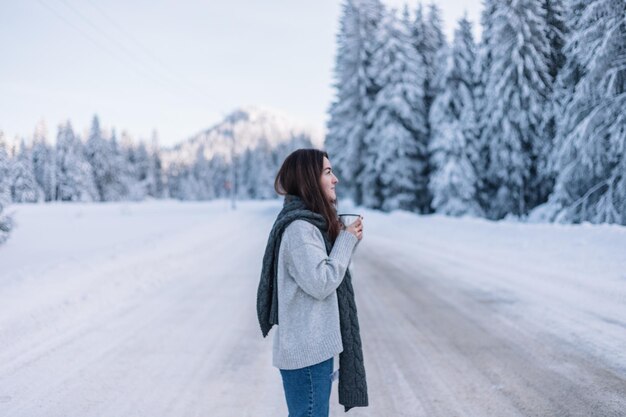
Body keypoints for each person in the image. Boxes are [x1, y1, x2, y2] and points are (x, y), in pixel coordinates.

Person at [257, 148, 369, 416]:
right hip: (307, 353)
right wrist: (346, 240)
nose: (335, 179)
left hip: (312, 350)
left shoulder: (311, 225)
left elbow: (332, 273)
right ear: (309, 179)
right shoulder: (300, 229)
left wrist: (343, 241)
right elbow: (322, 282)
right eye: (328, 172)